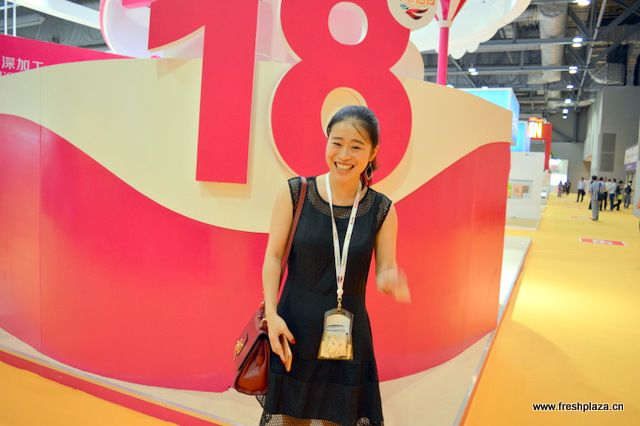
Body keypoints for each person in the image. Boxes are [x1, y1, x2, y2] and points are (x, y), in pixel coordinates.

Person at [259, 105, 410, 426]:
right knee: (292, 420)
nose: (343, 155)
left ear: (372, 152)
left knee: (339, 417)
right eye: (337, 143)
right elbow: (273, 256)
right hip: (293, 328)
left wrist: (390, 278)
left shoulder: (382, 209)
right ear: (326, 142)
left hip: (347, 336)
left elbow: (386, 267)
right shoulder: (296, 192)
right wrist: (271, 315)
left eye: (356, 146)